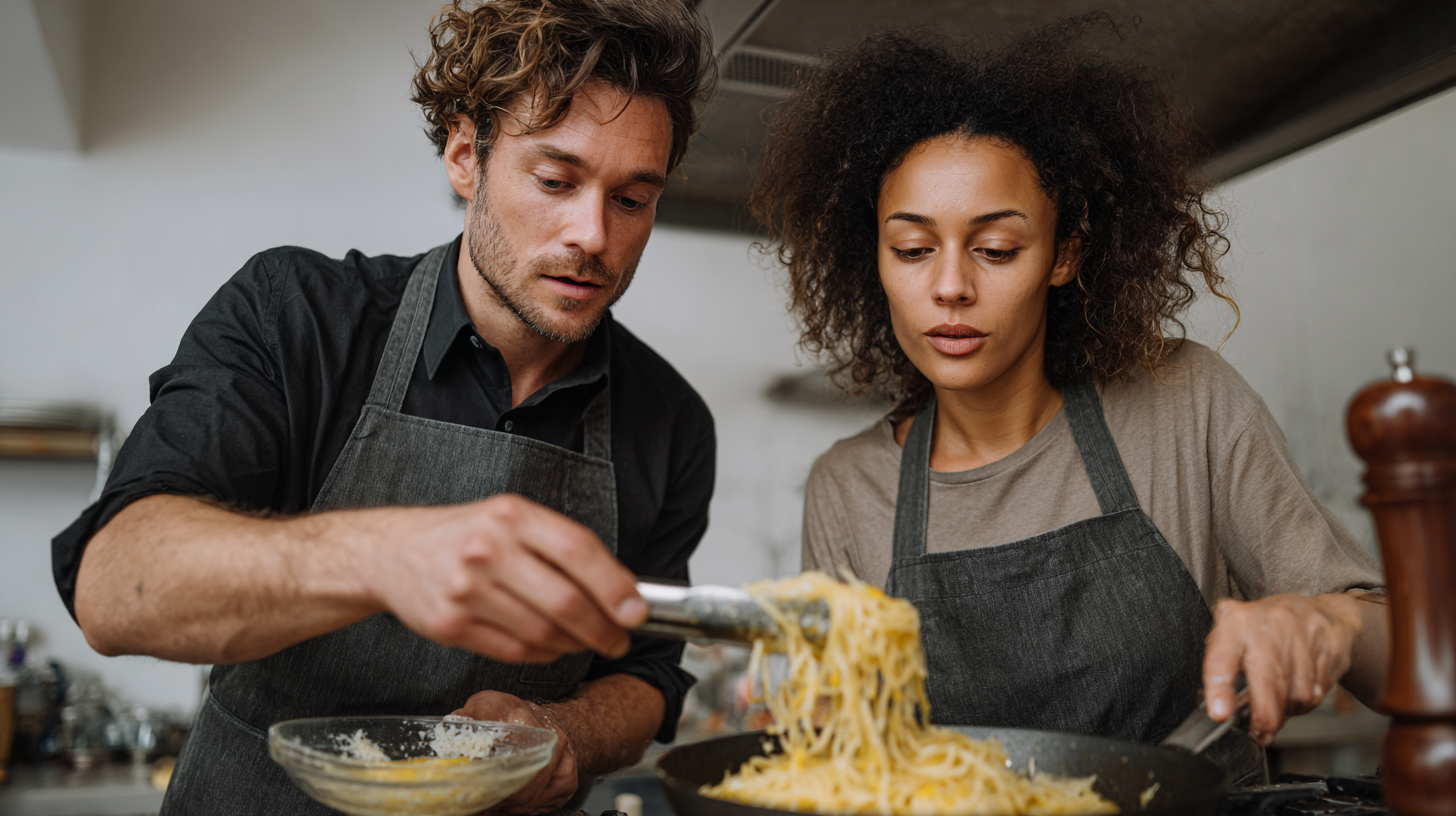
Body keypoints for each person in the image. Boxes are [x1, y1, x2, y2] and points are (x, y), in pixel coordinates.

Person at [50, 2, 715, 813]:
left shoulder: (672, 421)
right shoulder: (296, 314)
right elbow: (113, 588)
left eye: (633, 199)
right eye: (555, 181)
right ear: (466, 155)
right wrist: (382, 557)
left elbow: (647, 672)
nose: (593, 235)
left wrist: (569, 732)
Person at [753, 28, 1388, 784]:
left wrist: (1330, 623)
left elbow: (1403, 665)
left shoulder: (1185, 403)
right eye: (913, 249)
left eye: (996, 249)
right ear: (877, 260)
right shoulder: (848, 487)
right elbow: (842, 759)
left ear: (1064, 253)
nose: (950, 287)